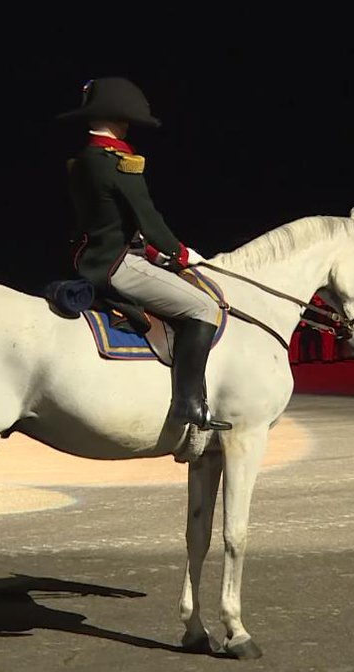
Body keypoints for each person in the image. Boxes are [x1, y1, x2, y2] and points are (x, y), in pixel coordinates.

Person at [57, 76, 231, 447]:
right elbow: (148, 219)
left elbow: (110, 221)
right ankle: (189, 403)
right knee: (204, 307)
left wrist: (152, 253)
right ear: (120, 117)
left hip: (91, 259)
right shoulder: (117, 162)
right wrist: (181, 254)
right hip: (117, 265)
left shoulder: (83, 160)